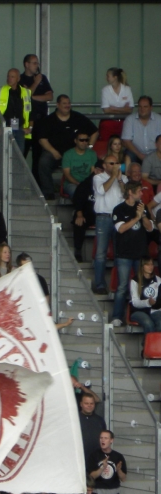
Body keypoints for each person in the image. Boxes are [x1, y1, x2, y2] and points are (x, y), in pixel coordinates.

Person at [33, 95, 97, 199]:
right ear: (58, 105)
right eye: (64, 103)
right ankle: (48, 192)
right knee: (43, 162)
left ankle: (87, 187)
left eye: (68, 103)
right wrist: (53, 151)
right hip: (55, 154)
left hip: (75, 154)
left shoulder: (78, 117)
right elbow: (42, 139)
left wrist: (89, 147)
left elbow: (95, 132)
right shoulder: (49, 120)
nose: (67, 105)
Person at [111, 183, 153, 326]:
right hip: (124, 254)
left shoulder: (142, 207)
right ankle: (117, 316)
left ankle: (141, 315)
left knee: (143, 286)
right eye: (139, 191)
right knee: (122, 286)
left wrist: (143, 216)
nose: (142, 194)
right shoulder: (119, 209)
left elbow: (149, 228)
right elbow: (121, 229)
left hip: (141, 254)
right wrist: (136, 217)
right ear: (130, 192)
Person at [91, 156, 128, 294]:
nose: (115, 165)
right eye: (111, 163)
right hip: (104, 217)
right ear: (105, 165)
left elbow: (126, 195)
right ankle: (100, 285)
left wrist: (119, 179)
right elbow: (102, 190)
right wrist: (113, 176)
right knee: (101, 253)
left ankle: (119, 285)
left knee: (120, 253)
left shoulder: (123, 178)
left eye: (117, 163)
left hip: (119, 219)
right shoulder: (98, 177)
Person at [0, 69, 32, 152]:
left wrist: (30, 127)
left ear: (18, 79)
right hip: (5, 128)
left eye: (12, 77)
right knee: (4, 154)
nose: (9, 79)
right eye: (8, 76)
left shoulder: (25, 92)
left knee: (19, 155)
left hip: (19, 129)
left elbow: (30, 112)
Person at [87, 429, 126, 494]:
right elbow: (91, 476)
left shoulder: (118, 456)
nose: (103, 440)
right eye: (101, 438)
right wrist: (102, 467)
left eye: (105, 438)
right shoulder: (94, 455)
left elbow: (123, 479)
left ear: (111, 440)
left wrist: (118, 470)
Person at [122, 96, 161, 163]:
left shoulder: (159, 119)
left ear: (151, 107)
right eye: (140, 106)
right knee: (128, 155)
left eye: (145, 107)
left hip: (155, 153)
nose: (142, 109)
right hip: (135, 153)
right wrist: (139, 155)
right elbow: (126, 141)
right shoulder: (130, 119)